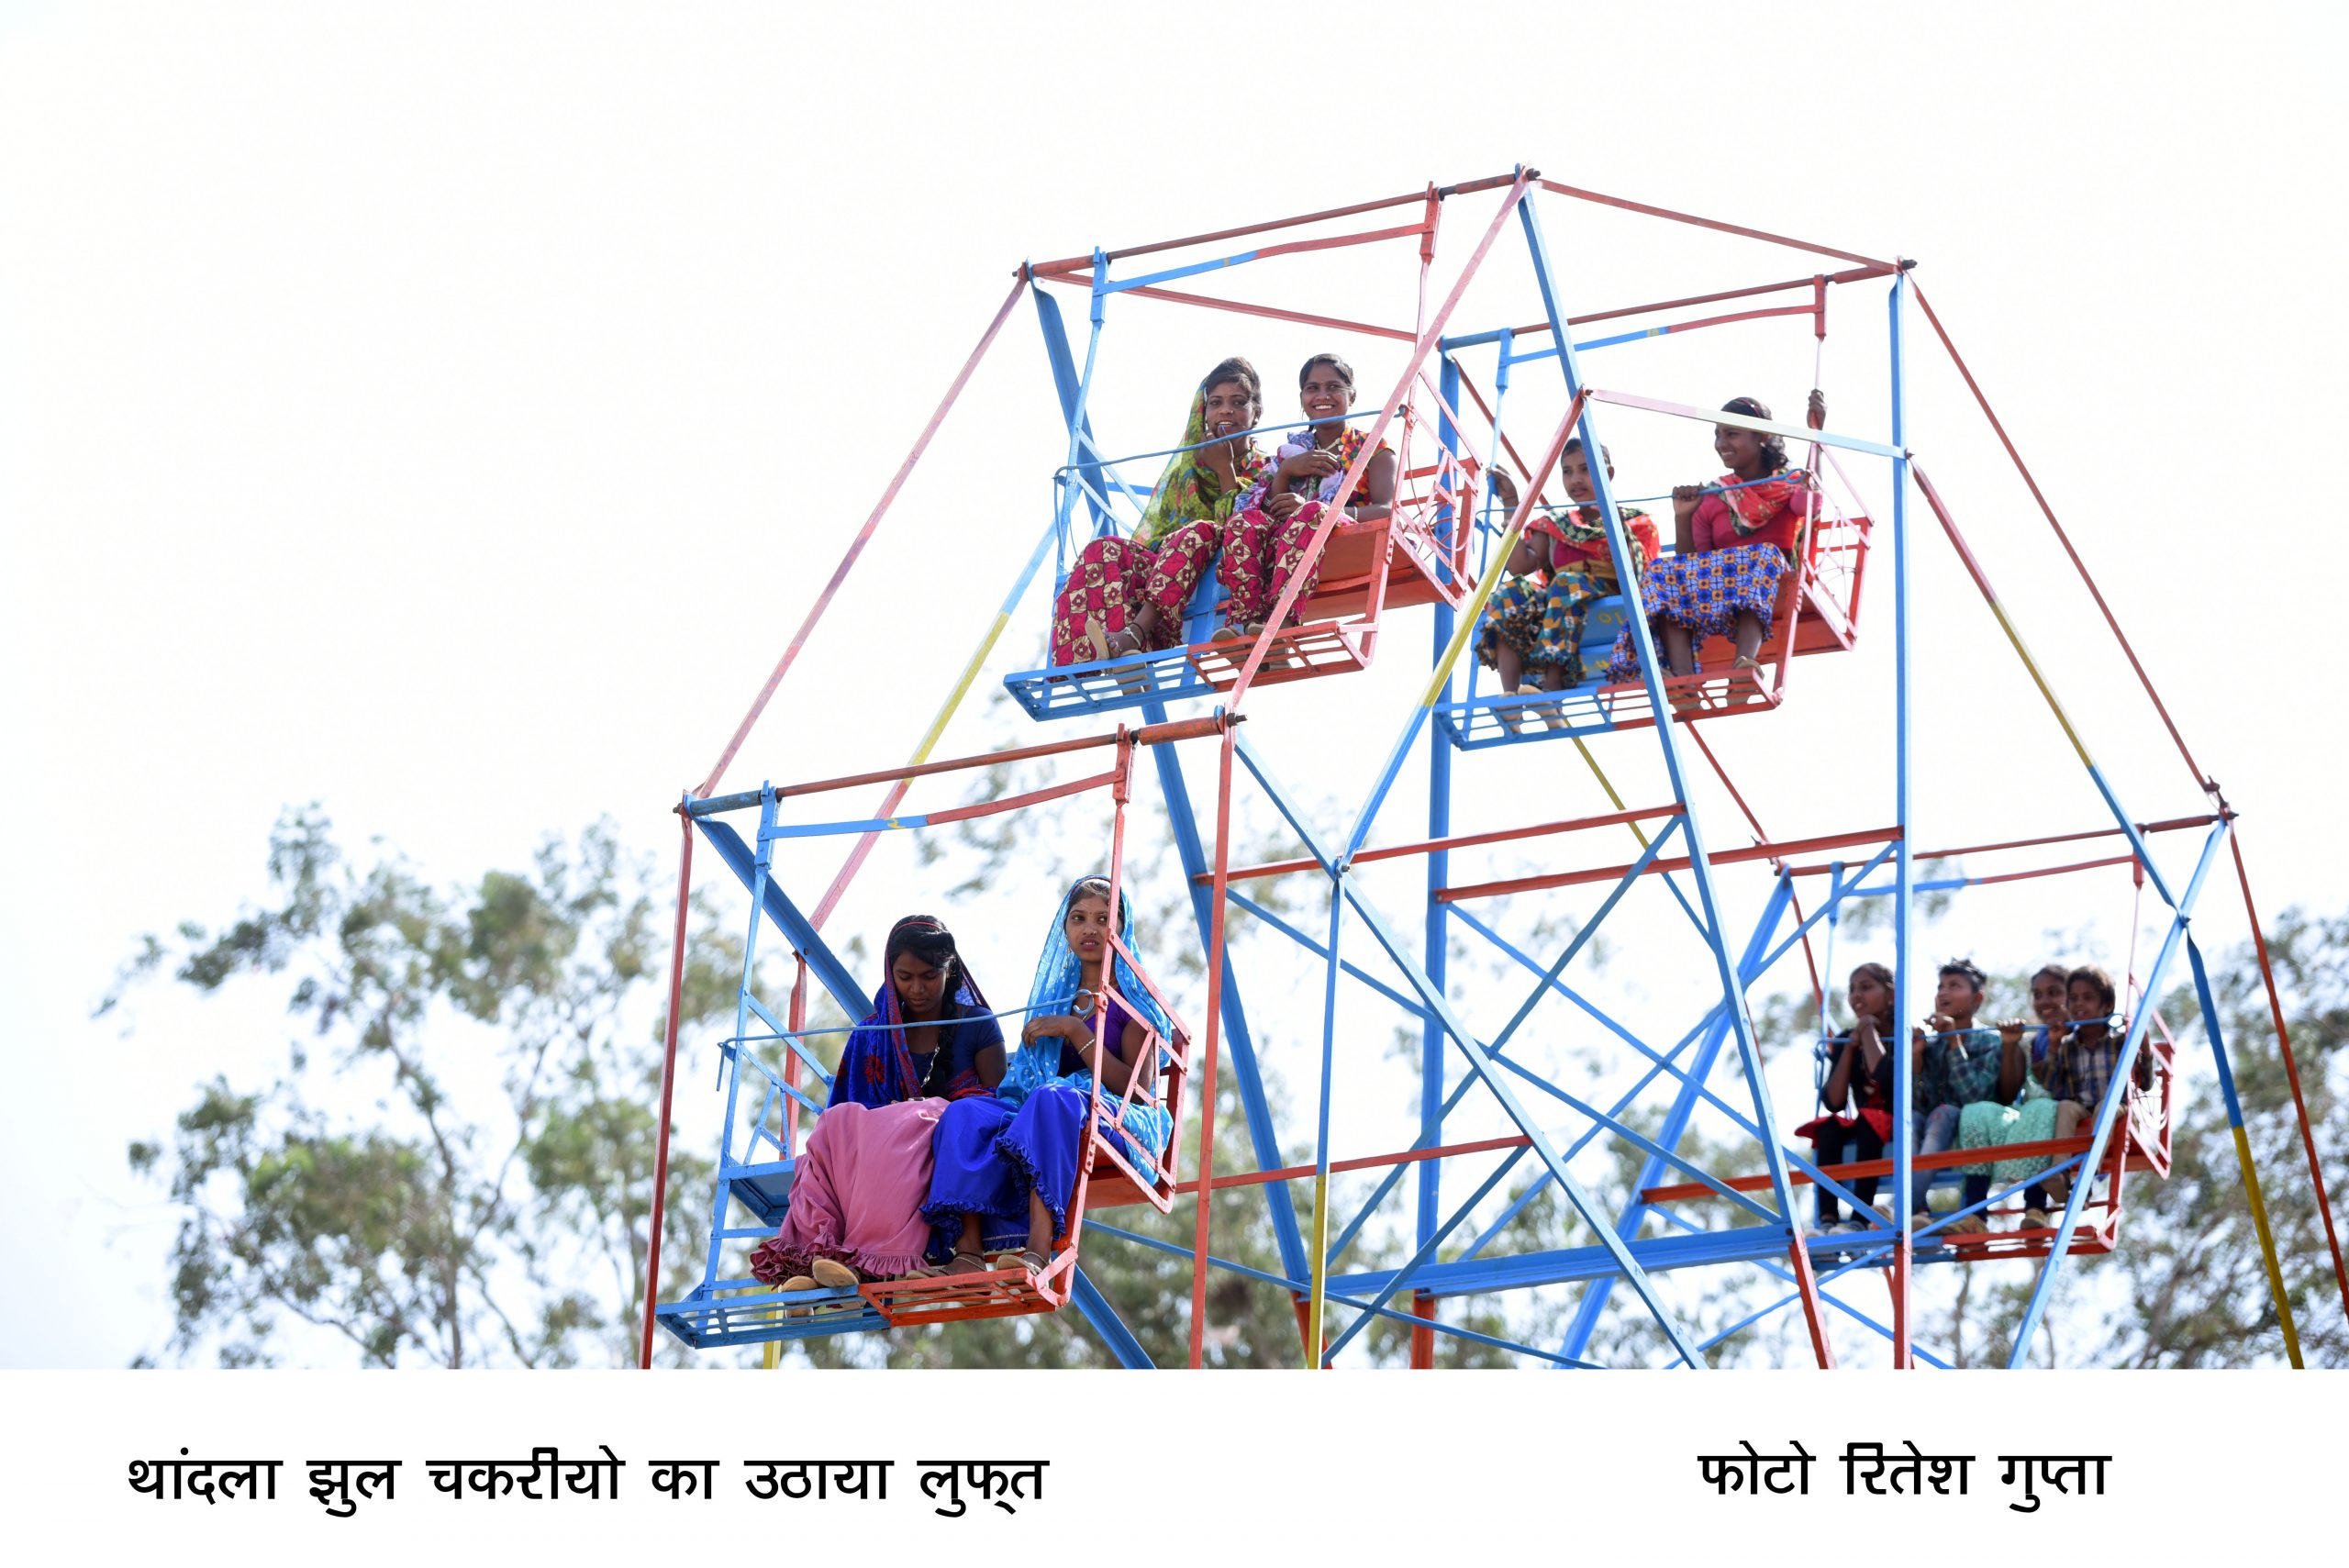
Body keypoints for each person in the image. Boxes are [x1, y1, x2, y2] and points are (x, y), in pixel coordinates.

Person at [921, 875, 1174, 1277]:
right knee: (965, 1112)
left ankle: (1038, 1250)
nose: (1090, 928)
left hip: (1116, 1114)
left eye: (1103, 919)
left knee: (1051, 1097)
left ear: (1122, 930)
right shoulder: (1055, 997)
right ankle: (967, 1252)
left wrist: (1075, 1031)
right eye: (1079, 918)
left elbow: (1136, 1090)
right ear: (1065, 928)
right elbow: (1030, 1076)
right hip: (1050, 1103)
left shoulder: (1134, 1003)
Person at [746, 915, 1005, 1304]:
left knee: (909, 1123)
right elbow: (855, 1101)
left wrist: (922, 1108)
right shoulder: (873, 1032)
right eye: (905, 977)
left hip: (944, 1133)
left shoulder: (978, 1024)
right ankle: (816, 1260)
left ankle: (865, 1260)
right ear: (890, 974)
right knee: (834, 1124)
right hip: (885, 1133)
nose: (917, 988)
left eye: (929, 976)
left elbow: (995, 1100)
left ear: (949, 971)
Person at [1047, 357, 1271, 667]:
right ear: (1203, 413)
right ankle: (1105, 657)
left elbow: (1241, 530)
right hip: (1170, 564)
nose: (1225, 410)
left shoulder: (1269, 469)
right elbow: (1155, 542)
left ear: (1256, 412)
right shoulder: (1186, 471)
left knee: (1199, 531)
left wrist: (1225, 471)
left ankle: (1135, 636)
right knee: (1103, 548)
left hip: (1222, 564)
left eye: (1238, 402)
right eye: (1216, 403)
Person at [1604, 391, 1824, 689]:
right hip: (1722, 586)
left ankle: (1744, 663)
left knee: (1763, 554)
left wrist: (1816, 437)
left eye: (1731, 434)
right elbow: (1690, 564)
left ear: (1761, 436)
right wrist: (1683, 516)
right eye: (1718, 435)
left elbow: (1810, 503)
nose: (1721, 444)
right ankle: (1683, 680)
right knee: (1660, 571)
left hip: (1771, 576)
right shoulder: (1715, 494)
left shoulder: (1789, 483)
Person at [1212, 353, 1398, 639]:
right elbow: (1264, 510)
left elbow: (1387, 511)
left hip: (1337, 534)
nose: (1322, 395)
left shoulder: (1373, 448)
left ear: (1351, 395)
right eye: (1313, 388)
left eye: (1333, 387)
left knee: (1311, 512)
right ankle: (1248, 622)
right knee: (1244, 522)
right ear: (1302, 399)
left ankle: (1283, 626)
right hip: (1286, 539)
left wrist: (1323, 510)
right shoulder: (1292, 449)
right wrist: (1286, 471)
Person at [1475, 438, 1660, 717]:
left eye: (1586, 469)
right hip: (1560, 604)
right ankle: (1511, 696)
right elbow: (1519, 566)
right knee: (1509, 592)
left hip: (1608, 596)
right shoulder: (1557, 525)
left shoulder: (1634, 520)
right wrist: (1511, 503)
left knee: (1565, 583)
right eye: (1567, 471)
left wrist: (1614, 524)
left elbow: (1643, 573)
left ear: (1608, 473)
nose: (1576, 480)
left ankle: (1552, 690)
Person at [1955, 963, 2072, 1232]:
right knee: (1976, 1112)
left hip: (2059, 1116)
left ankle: (2035, 1206)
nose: (2045, 1001)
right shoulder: (2032, 1042)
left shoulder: (2081, 1036)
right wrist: (2010, 1046)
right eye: (2038, 995)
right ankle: (1974, 1213)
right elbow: (2010, 1093)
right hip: (2026, 1119)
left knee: (2040, 1109)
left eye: (2054, 992)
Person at [1794, 962, 1898, 1234]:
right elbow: (1834, 1101)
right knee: (1829, 1126)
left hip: (1899, 1120)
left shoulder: (1903, 1035)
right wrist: (1850, 1049)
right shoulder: (1845, 1041)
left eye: (1866, 987)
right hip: (1866, 1120)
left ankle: (1859, 1219)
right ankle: (1828, 1218)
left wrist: (1868, 1031)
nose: (1856, 996)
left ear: (1891, 995)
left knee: (1868, 1121)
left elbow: (1886, 1080)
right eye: (1852, 990)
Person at [1908, 959, 2004, 1234]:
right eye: (1940, 986)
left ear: (1977, 999)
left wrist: (1954, 1042)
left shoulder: (1989, 1040)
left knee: (1945, 1112)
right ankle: (1917, 1207)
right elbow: (1920, 1102)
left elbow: (1973, 1096)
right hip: (1932, 1122)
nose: (1943, 993)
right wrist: (1917, 1059)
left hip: (1969, 1122)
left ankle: (1906, 1206)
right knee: (1910, 1118)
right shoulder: (1932, 1044)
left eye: (1954, 986)